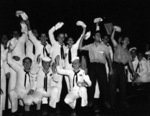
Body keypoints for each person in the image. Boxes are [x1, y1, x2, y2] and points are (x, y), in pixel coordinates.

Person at [79, 29, 113, 110]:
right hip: (92, 67)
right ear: (94, 37)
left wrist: (111, 69)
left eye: (99, 35)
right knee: (91, 84)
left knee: (104, 85)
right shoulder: (90, 46)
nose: (99, 37)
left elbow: (108, 59)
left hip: (101, 67)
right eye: (97, 35)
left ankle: (105, 101)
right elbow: (80, 48)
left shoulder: (104, 47)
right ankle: (91, 100)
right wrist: (82, 38)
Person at [110, 26, 138, 108]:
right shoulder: (117, 46)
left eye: (127, 40)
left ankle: (123, 101)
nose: (126, 40)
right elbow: (112, 38)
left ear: (128, 42)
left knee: (123, 84)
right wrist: (114, 29)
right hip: (115, 65)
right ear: (122, 41)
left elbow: (130, 63)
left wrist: (133, 71)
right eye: (125, 39)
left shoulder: (128, 53)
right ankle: (112, 102)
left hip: (121, 67)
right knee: (113, 85)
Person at [7, 47, 37, 116]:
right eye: (25, 62)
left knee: (28, 102)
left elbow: (35, 82)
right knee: (11, 93)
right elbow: (10, 61)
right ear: (23, 64)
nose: (27, 64)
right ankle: (14, 112)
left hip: (26, 92)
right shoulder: (19, 68)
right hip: (18, 91)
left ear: (31, 63)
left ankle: (27, 112)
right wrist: (9, 52)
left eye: (28, 62)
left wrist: (32, 89)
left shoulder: (33, 71)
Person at [64, 21, 87, 92]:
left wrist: (84, 28)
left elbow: (81, 37)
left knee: (74, 84)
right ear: (67, 42)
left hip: (73, 68)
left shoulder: (75, 46)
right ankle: (69, 99)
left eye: (71, 40)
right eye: (69, 40)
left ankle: (75, 97)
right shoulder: (64, 48)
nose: (70, 41)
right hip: (66, 68)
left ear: (73, 41)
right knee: (68, 84)